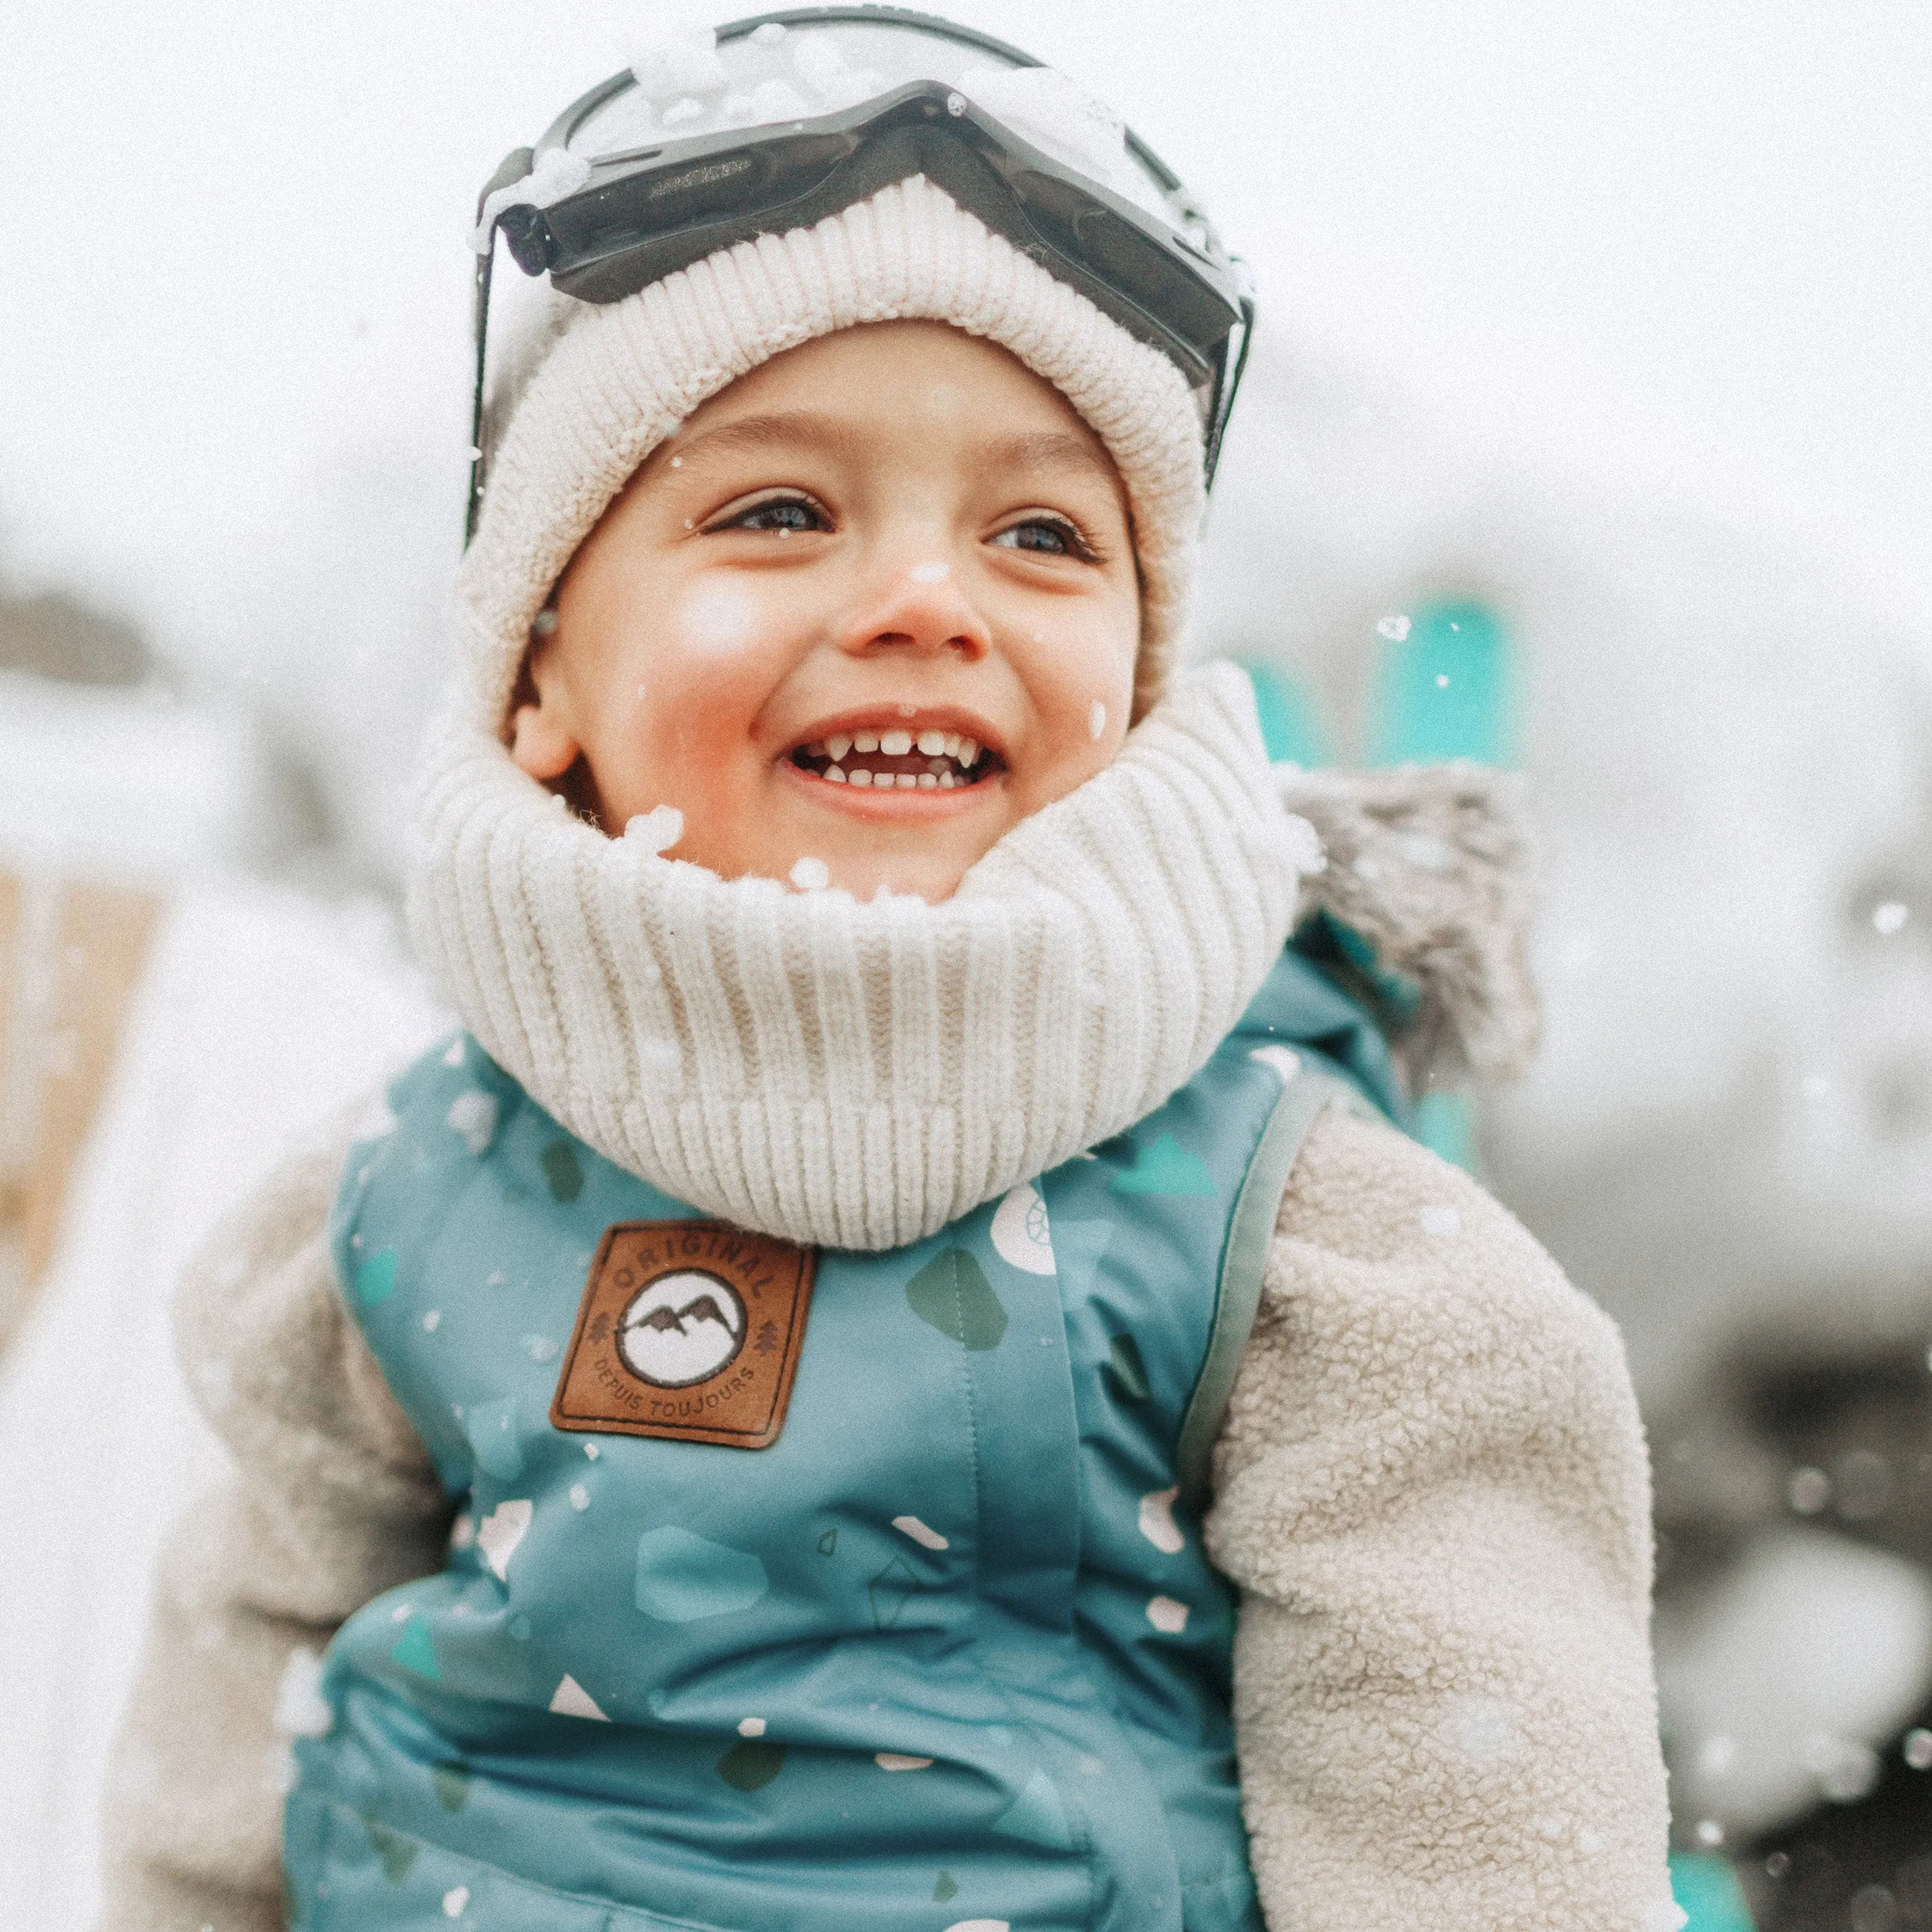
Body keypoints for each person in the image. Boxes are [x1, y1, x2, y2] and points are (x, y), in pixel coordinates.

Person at [100, 14, 1676, 1930]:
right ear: (536, 683)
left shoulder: (1303, 1252)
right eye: (776, 509)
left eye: (1037, 531)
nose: (927, 600)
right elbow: (229, 1731)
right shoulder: (396, 1196)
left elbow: (1474, 1832)